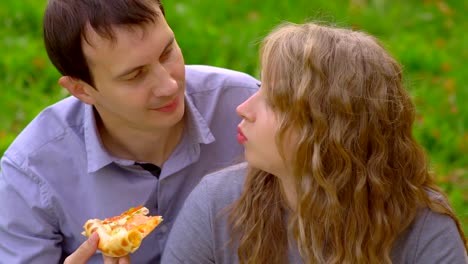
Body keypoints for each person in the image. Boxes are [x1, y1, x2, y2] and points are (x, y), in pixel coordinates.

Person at [161, 22, 468, 263]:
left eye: (274, 101)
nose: (244, 108)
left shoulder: (423, 228)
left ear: (328, 131)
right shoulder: (217, 204)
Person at [0, 0, 258, 263]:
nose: (168, 86)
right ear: (81, 90)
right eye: (135, 75)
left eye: (167, 52)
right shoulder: (31, 174)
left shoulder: (248, 107)